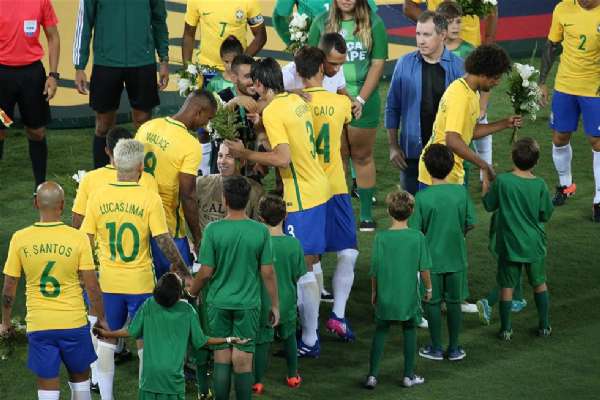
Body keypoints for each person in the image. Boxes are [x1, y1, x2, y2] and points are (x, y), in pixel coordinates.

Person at [225, 57, 331, 358]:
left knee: (302, 266)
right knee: (309, 261)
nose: (251, 88)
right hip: (317, 187)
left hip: (302, 196)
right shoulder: (295, 100)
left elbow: (283, 159)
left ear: (260, 84)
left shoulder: (273, 111)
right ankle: (307, 331)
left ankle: (308, 338)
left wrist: (245, 153)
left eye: (253, 83)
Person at [81, 139, 190, 400]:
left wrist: (84, 273)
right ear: (141, 166)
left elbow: (85, 239)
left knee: (106, 338)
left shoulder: (98, 196)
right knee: (145, 340)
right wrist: (183, 268)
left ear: (115, 163)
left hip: (109, 282)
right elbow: (163, 239)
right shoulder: (149, 198)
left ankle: (106, 397)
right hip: (140, 282)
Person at [1, 181, 108, 400]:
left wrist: (5, 322)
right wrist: (101, 319)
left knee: (47, 388)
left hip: (40, 325)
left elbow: (9, 285)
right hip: (73, 324)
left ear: (36, 203)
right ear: (62, 205)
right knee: (81, 383)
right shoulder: (78, 238)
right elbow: (92, 286)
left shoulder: (20, 238)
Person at [189, 176, 279, 400]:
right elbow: (268, 272)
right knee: (243, 359)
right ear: (248, 200)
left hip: (217, 303)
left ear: (224, 199)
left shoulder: (213, 230)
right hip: (248, 305)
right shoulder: (260, 231)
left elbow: (205, 271)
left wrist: (192, 292)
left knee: (221, 355)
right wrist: (275, 305)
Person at [94, 272, 248, 399]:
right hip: (173, 381)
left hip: (150, 379)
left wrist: (107, 333)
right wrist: (228, 339)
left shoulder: (149, 304)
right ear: (178, 294)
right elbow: (201, 341)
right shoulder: (187, 310)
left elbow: (131, 331)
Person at [295, 47, 360, 341]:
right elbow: (349, 118)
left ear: (299, 73)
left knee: (308, 259)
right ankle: (338, 315)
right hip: (335, 187)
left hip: (306, 190)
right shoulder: (340, 103)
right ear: (322, 69)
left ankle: (309, 333)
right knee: (348, 250)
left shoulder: (293, 104)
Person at [308, 0, 389, 231]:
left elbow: (377, 65)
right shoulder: (320, 22)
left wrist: (360, 100)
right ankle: (336, 213)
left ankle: (365, 215)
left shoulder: (375, 24)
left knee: (362, 156)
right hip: (328, 100)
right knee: (336, 157)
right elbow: (310, 62)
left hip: (364, 100)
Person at [73, 0, 170, 169]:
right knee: (104, 125)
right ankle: (102, 176)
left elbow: (159, 19)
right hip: (106, 62)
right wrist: (79, 65)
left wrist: (164, 59)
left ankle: (143, 175)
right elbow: (85, 20)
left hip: (142, 60)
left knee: (143, 123)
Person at [136, 90, 217, 279]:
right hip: (168, 228)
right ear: (198, 112)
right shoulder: (190, 145)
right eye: (207, 118)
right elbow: (188, 195)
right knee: (179, 285)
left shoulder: (147, 127)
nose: (206, 125)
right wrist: (198, 237)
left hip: (139, 219)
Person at [417, 45, 522, 189]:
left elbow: (468, 132)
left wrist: (504, 123)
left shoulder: (471, 92)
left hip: (448, 170)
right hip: (438, 174)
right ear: (483, 74)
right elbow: (453, 140)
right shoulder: (461, 97)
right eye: (495, 78)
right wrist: (484, 165)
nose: (497, 83)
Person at [482, 138, 554, 340]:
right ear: (536, 161)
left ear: (512, 158)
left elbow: (489, 205)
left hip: (509, 244)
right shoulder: (540, 184)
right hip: (534, 244)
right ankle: (544, 326)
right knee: (539, 283)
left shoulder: (503, 181)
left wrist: (486, 183)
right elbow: (545, 214)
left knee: (507, 286)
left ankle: (506, 330)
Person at [385, 11, 464, 195]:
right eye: (418, 34)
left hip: (449, 156)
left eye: (427, 34)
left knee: (446, 208)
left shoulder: (459, 67)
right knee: (412, 208)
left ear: (442, 35)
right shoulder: (404, 64)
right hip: (412, 155)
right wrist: (393, 146)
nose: (420, 40)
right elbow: (392, 107)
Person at [410, 144, 475, 362]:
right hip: (456, 258)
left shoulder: (422, 198)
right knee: (455, 302)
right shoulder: (461, 193)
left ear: (427, 168)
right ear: (451, 166)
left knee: (432, 302)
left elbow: (416, 232)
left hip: (431, 262)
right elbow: (470, 223)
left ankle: (436, 348)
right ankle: (454, 348)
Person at [365, 190, 432, 390]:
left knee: (381, 330)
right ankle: (408, 376)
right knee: (409, 329)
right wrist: (429, 288)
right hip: (408, 296)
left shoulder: (381, 238)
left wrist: (374, 292)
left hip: (385, 295)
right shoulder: (417, 237)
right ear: (411, 211)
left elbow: (375, 269)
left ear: (388, 211)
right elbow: (424, 268)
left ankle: (372, 376)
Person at [539, 0, 600, 220]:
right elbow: (551, 45)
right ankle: (566, 186)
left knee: (597, 142)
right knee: (559, 138)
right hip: (565, 86)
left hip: (595, 89)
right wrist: (542, 82)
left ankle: (599, 198)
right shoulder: (563, 8)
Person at [0, 0, 60, 188]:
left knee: (37, 132)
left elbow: (53, 37)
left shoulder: (41, 1)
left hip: (32, 76)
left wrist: (53, 75)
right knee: (0, 127)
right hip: (2, 76)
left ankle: (39, 188)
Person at [253, 195, 306, 393]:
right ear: (285, 216)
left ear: (260, 217)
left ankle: (257, 382)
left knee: (262, 341)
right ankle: (292, 375)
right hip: (287, 301)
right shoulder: (294, 244)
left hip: (263, 301)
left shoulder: (257, 244)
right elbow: (299, 273)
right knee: (289, 337)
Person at [72, 127, 158, 229]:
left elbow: (77, 222)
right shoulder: (147, 179)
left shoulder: (89, 179)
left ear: (107, 150)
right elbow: (155, 224)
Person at [210, 55, 262, 176]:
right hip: (223, 172)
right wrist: (233, 103)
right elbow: (211, 127)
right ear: (234, 78)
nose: (253, 81)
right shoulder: (220, 97)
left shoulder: (260, 99)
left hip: (251, 173)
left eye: (255, 76)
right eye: (247, 77)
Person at [182, 0, 267, 71]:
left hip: (235, 72)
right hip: (205, 69)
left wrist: (241, 62)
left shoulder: (249, 1)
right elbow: (188, 34)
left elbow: (261, 36)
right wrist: (187, 70)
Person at [198, 142, 265, 230]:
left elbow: (258, 229)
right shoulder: (201, 184)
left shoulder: (255, 190)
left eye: (229, 156)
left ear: (242, 161)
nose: (222, 161)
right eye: (220, 156)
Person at [273, 0, 377, 46]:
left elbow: (281, 14)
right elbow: (281, 14)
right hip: (346, 49)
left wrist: (295, 45)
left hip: (315, 51)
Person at [403, 0, 497, 48]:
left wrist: (489, 39)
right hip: (438, 46)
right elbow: (409, 6)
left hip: (471, 46)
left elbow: (491, 5)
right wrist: (434, 26)